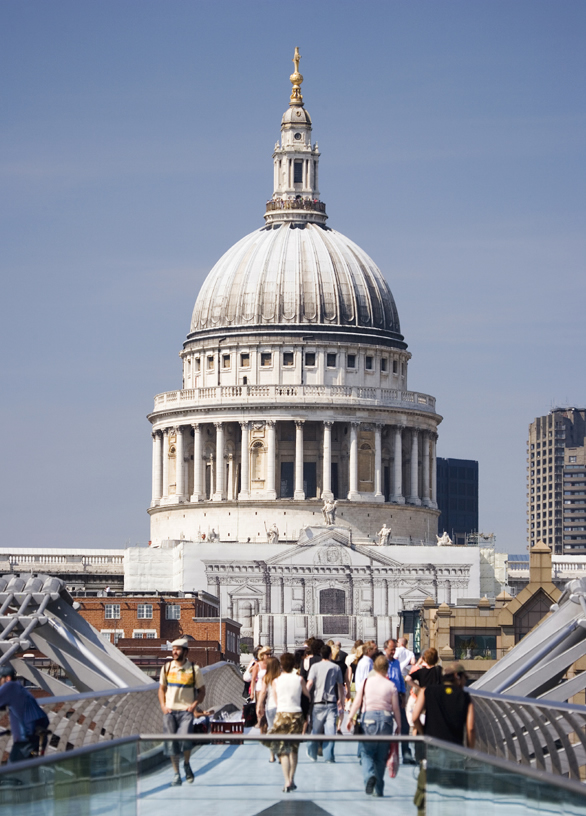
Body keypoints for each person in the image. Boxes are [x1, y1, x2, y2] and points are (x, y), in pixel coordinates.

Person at [347, 655, 401, 798]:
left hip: (368, 718)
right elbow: (396, 708)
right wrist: (399, 725)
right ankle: (379, 789)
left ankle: (369, 775)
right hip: (386, 720)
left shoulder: (366, 683)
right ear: (387, 668)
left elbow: (357, 702)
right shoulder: (391, 685)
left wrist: (349, 718)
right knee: (381, 756)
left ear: (374, 667)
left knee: (367, 753)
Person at [159, 636, 206, 787]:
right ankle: (176, 773)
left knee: (185, 740)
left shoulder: (194, 669)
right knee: (171, 743)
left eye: (178, 649)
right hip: (170, 711)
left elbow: (202, 691)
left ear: (186, 652)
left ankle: (186, 763)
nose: (175, 652)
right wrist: (163, 705)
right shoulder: (166, 668)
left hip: (186, 712)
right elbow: (161, 689)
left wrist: (193, 705)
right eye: (173, 649)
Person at [269, 652, 310, 793]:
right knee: (294, 750)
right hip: (296, 715)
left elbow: (276, 700)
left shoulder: (276, 681)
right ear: (293, 665)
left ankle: (286, 781)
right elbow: (307, 697)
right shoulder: (299, 680)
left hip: (281, 715)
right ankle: (292, 778)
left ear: (282, 665)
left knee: (283, 751)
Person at [412, 661, 474, 747]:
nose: (465, 681)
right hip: (456, 748)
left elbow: (415, 718)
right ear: (457, 676)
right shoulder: (465, 696)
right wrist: (470, 752)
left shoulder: (426, 691)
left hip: (432, 746)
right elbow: (470, 728)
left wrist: (424, 733)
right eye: (465, 678)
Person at [0, 665, 50, 762]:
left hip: (27, 738)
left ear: (7, 678)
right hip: (39, 733)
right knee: (31, 769)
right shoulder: (20, 688)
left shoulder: (9, 687)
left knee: (13, 770)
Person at [306, 644, 345, 763]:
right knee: (330, 730)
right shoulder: (335, 667)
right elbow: (340, 686)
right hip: (331, 702)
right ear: (330, 654)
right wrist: (342, 701)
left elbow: (310, 683)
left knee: (315, 731)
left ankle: (312, 753)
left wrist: (304, 697)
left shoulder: (314, 667)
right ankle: (329, 757)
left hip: (318, 702)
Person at [384, 639, 415, 765]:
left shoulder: (396, 662)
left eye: (394, 649)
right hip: (385, 699)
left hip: (397, 697)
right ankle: (385, 753)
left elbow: (400, 680)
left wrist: (403, 695)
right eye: (391, 650)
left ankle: (406, 753)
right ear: (385, 649)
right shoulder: (381, 662)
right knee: (386, 726)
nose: (393, 652)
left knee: (404, 725)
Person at [256, 656, 281, 762]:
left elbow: (262, 692)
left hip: (270, 707)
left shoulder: (266, 678)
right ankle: (281, 755)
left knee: (271, 730)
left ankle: (272, 756)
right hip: (281, 707)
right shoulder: (281, 677)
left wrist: (259, 705)